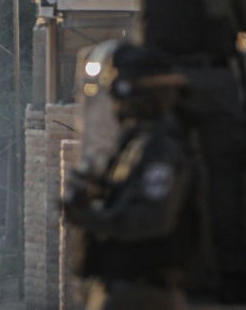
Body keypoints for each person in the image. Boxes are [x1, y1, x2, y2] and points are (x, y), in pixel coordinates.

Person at [133, 0, 246, 300]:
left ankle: (168, 270)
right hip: (213, 83)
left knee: (165, 176)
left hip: (160, 87)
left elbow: (144, 27)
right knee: (225, 178)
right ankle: (231, 277)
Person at [63, 42, 199, 310]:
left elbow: (151, 220)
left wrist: (92, 218)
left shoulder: (160, 148)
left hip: (142, 290)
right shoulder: (137, 141)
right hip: (121, 286)